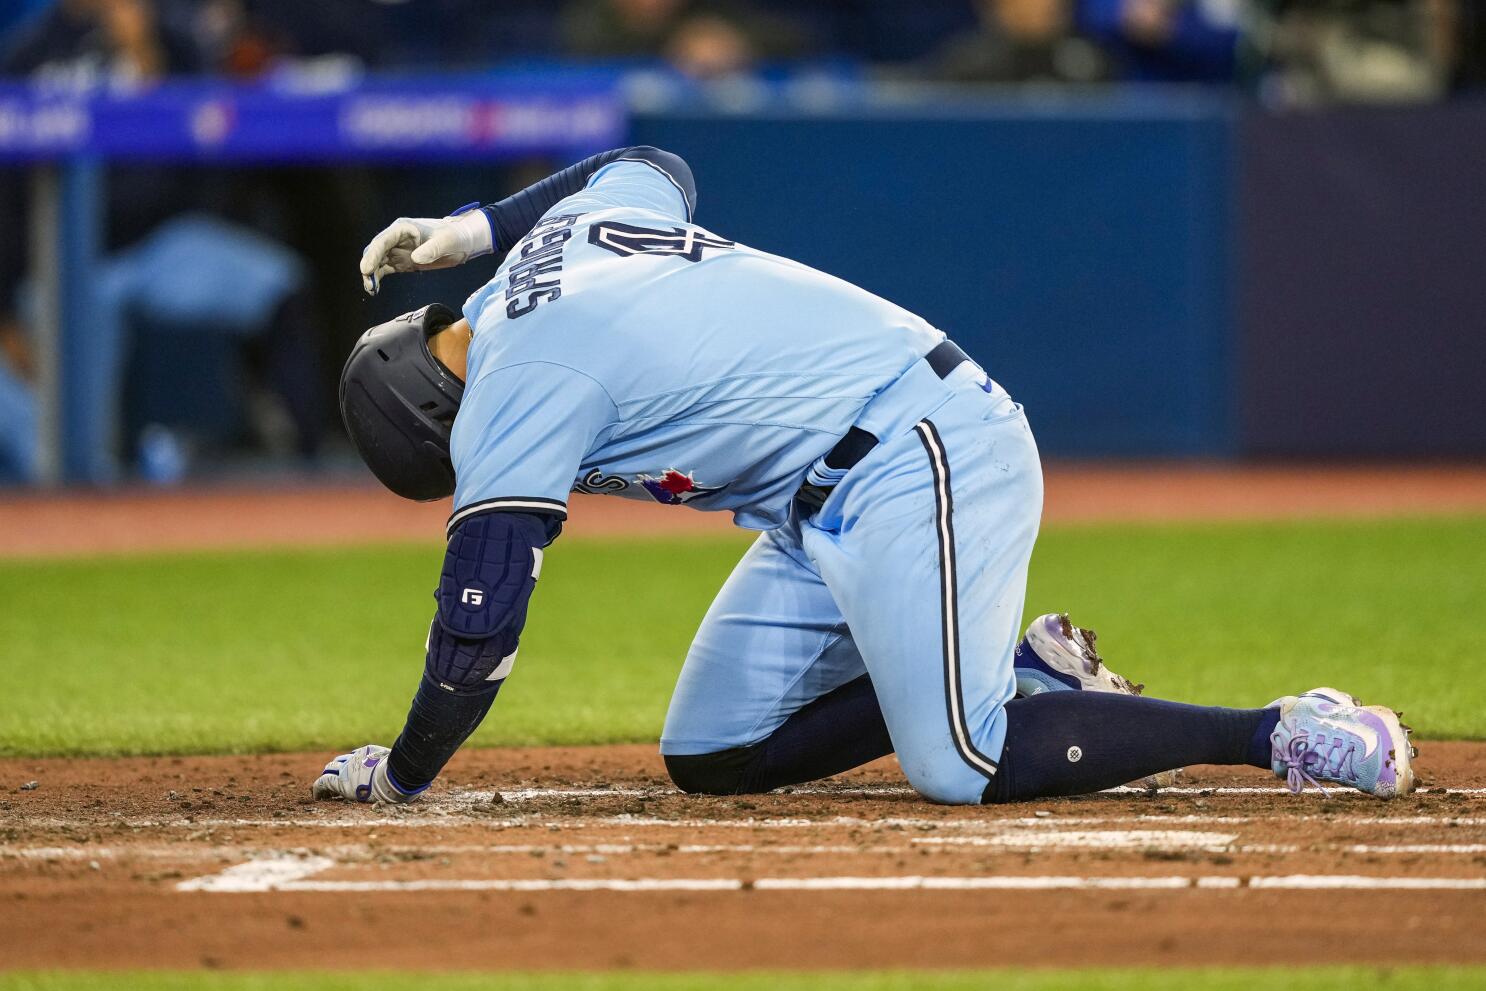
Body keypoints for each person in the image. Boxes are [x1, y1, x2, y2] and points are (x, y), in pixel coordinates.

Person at [314, 146, 1416, 807]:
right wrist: (471, 231)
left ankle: (1278, 730)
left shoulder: (513, 389)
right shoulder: (540, 260)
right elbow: (647, 165)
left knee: (962, 765)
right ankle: (1026, 674)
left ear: (433, 428)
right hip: (822, 503)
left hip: (920, 446)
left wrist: (404, 771)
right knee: (716, 754)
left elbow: (479, 627)